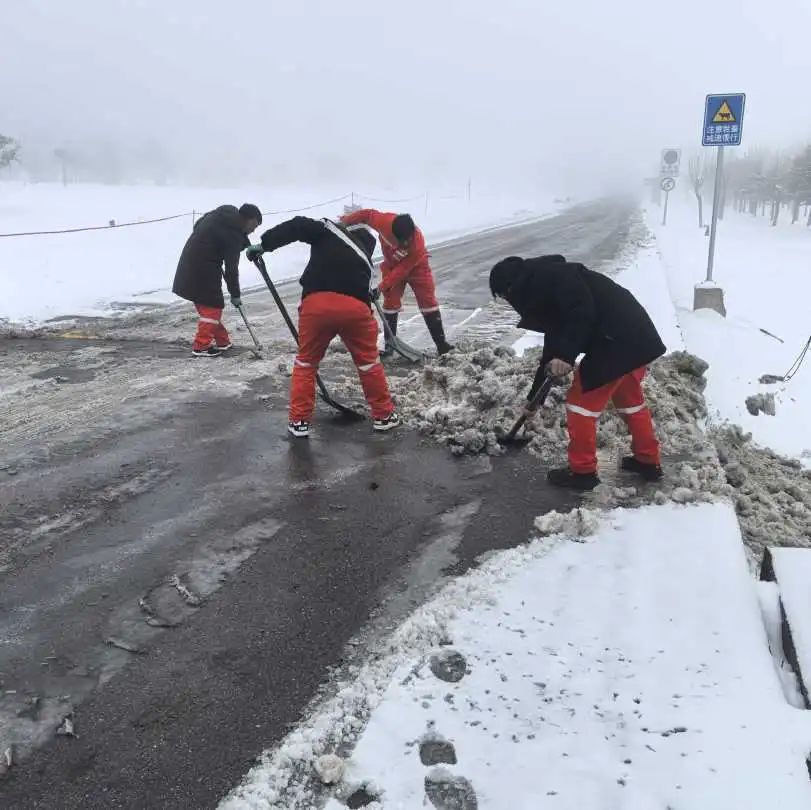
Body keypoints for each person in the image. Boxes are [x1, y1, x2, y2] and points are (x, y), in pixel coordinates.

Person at [489, 254, 666, 491]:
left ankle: (582, 472)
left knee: (580, 403)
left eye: (503, 296)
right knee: (630, 401)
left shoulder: (558, 278)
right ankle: (647, 460)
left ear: (512, 289)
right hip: (634, 338)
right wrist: (534, 400)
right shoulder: (546, 286)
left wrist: (566, 356)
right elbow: (553, 347)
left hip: (616, 340)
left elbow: (581, 313)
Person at [246, 217, 400, 438]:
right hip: (356, 311)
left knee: (306, 363)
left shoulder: (328, 230)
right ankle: (384, 416)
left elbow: (298, 225)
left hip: (317, 306)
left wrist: (265, 244)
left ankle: (299, 422)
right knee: (368, 363)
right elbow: (366, 299)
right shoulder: (365, 262)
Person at [339, 208, 453, 357]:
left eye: (408, 240)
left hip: (417, 268)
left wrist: (380, 287)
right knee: (390, 303)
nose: (405, 243)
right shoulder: (383, 222)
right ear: (393, 234)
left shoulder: (417, 243)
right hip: (391, 266)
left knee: (427, 302)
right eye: (401, 240)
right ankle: (390, 345)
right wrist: (346, 221)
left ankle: (441, 345)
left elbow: (402, 270)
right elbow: (367, 214)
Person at [173, 203, 262, 356]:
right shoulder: (232, 235)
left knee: (210, 306)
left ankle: (222, 341)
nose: (253, 230)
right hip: (203, 269)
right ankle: (201, 346)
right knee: (212, 308)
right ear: (248, 219)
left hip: (191, 263)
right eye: (254, 226)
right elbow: (231, 269)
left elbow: (198, 225)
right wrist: (235, 294)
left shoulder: (223, 216)